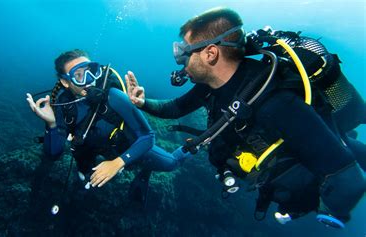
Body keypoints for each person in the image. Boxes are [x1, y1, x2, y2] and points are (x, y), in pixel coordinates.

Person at [125, 7, 365, 228]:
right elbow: (176, 107)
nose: (180, 61)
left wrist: (326, 212)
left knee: (346, 144)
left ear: (210, 53)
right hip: (290, 158)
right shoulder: (211, 86)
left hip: (315, 167)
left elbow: (349, 182)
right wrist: (142, 102)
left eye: (184, 52)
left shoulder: (275, 101)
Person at [26, 49, 190, 205]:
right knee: (85, 182)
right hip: (89, 149)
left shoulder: (113, 95)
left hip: (125, 146)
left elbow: (148, 137)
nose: (89, 80)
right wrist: (51, 124)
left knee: (171, 164)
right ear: (65, 82)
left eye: (91, 71)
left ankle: (194, 145)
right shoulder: (63, 105)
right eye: (78, 75)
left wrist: (118, 163)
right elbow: (53, 154)